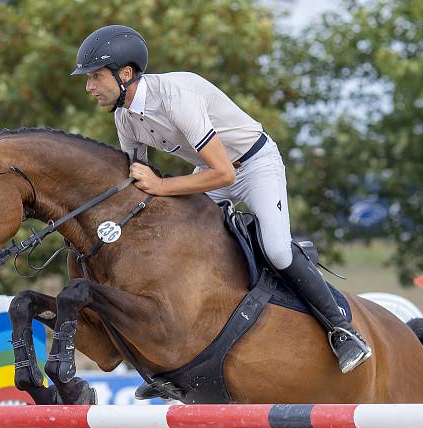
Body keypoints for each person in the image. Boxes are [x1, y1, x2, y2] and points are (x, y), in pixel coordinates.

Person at [70, 25, 372, 386]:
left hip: (254, 165)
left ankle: (342, 328)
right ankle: (169, 359)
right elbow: (138, 179)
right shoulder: (125, 117)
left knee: (276, 250)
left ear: (125, 74)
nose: (89, 87)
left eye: (95, 77)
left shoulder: (175, 97)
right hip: (208, 172)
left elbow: (225, 174)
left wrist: (162, 185)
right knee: (166, 236)